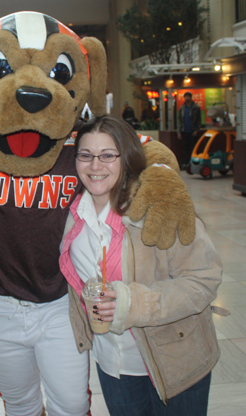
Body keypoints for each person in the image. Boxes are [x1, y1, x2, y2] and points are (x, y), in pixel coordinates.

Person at [60, 115, 223, 416]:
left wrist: (132, 303)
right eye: (86, 155)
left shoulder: (159, 207)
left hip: (176, 364)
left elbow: (204, 279)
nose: (95, 165)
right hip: (112, 367)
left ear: (128, 157)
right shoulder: (72, 215)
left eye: (108, 155)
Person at [178, 92, 201, 169]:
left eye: (188, 96)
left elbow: (199, 120)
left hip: (193, 131)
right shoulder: (182, 108)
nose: (187, 98)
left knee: (194, 147)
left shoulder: (196, 107)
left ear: (191, 98)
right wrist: (179, 132)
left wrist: (197, 130)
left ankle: (194, 163)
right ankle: (185, 163)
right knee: (185, 148)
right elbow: (179, 120)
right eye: (185, 97)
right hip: (184, 131)